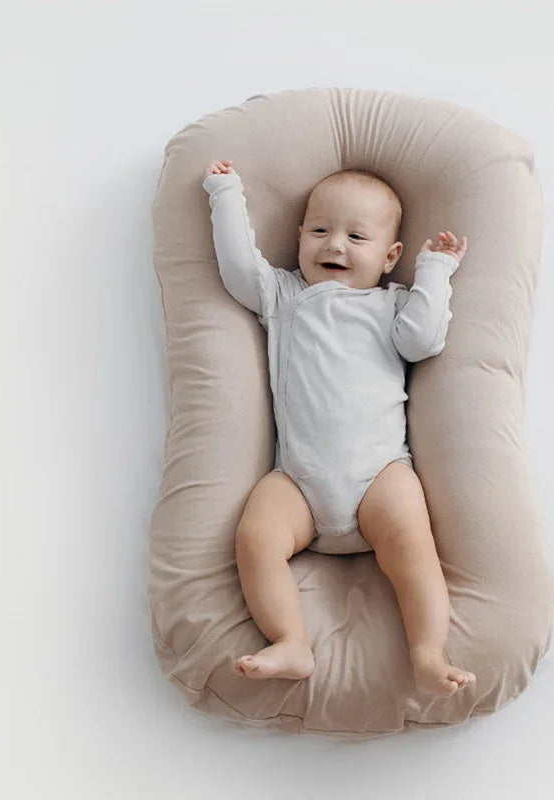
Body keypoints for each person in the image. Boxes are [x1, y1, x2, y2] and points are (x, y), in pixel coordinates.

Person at [202, 159, 476, 696]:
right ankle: (291, 642)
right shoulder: (284, 296)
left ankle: (426, 652)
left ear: (389, 255)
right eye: (320, 230)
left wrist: (434, 272)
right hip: (299, 480)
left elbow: (424, 341)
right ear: (300, 236)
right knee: (255, 537)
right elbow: (238, 267)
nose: (335, 246)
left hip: (379, 473)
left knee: (414, 547)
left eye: (356, 236)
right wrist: (225, 193)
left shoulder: (390, 303)